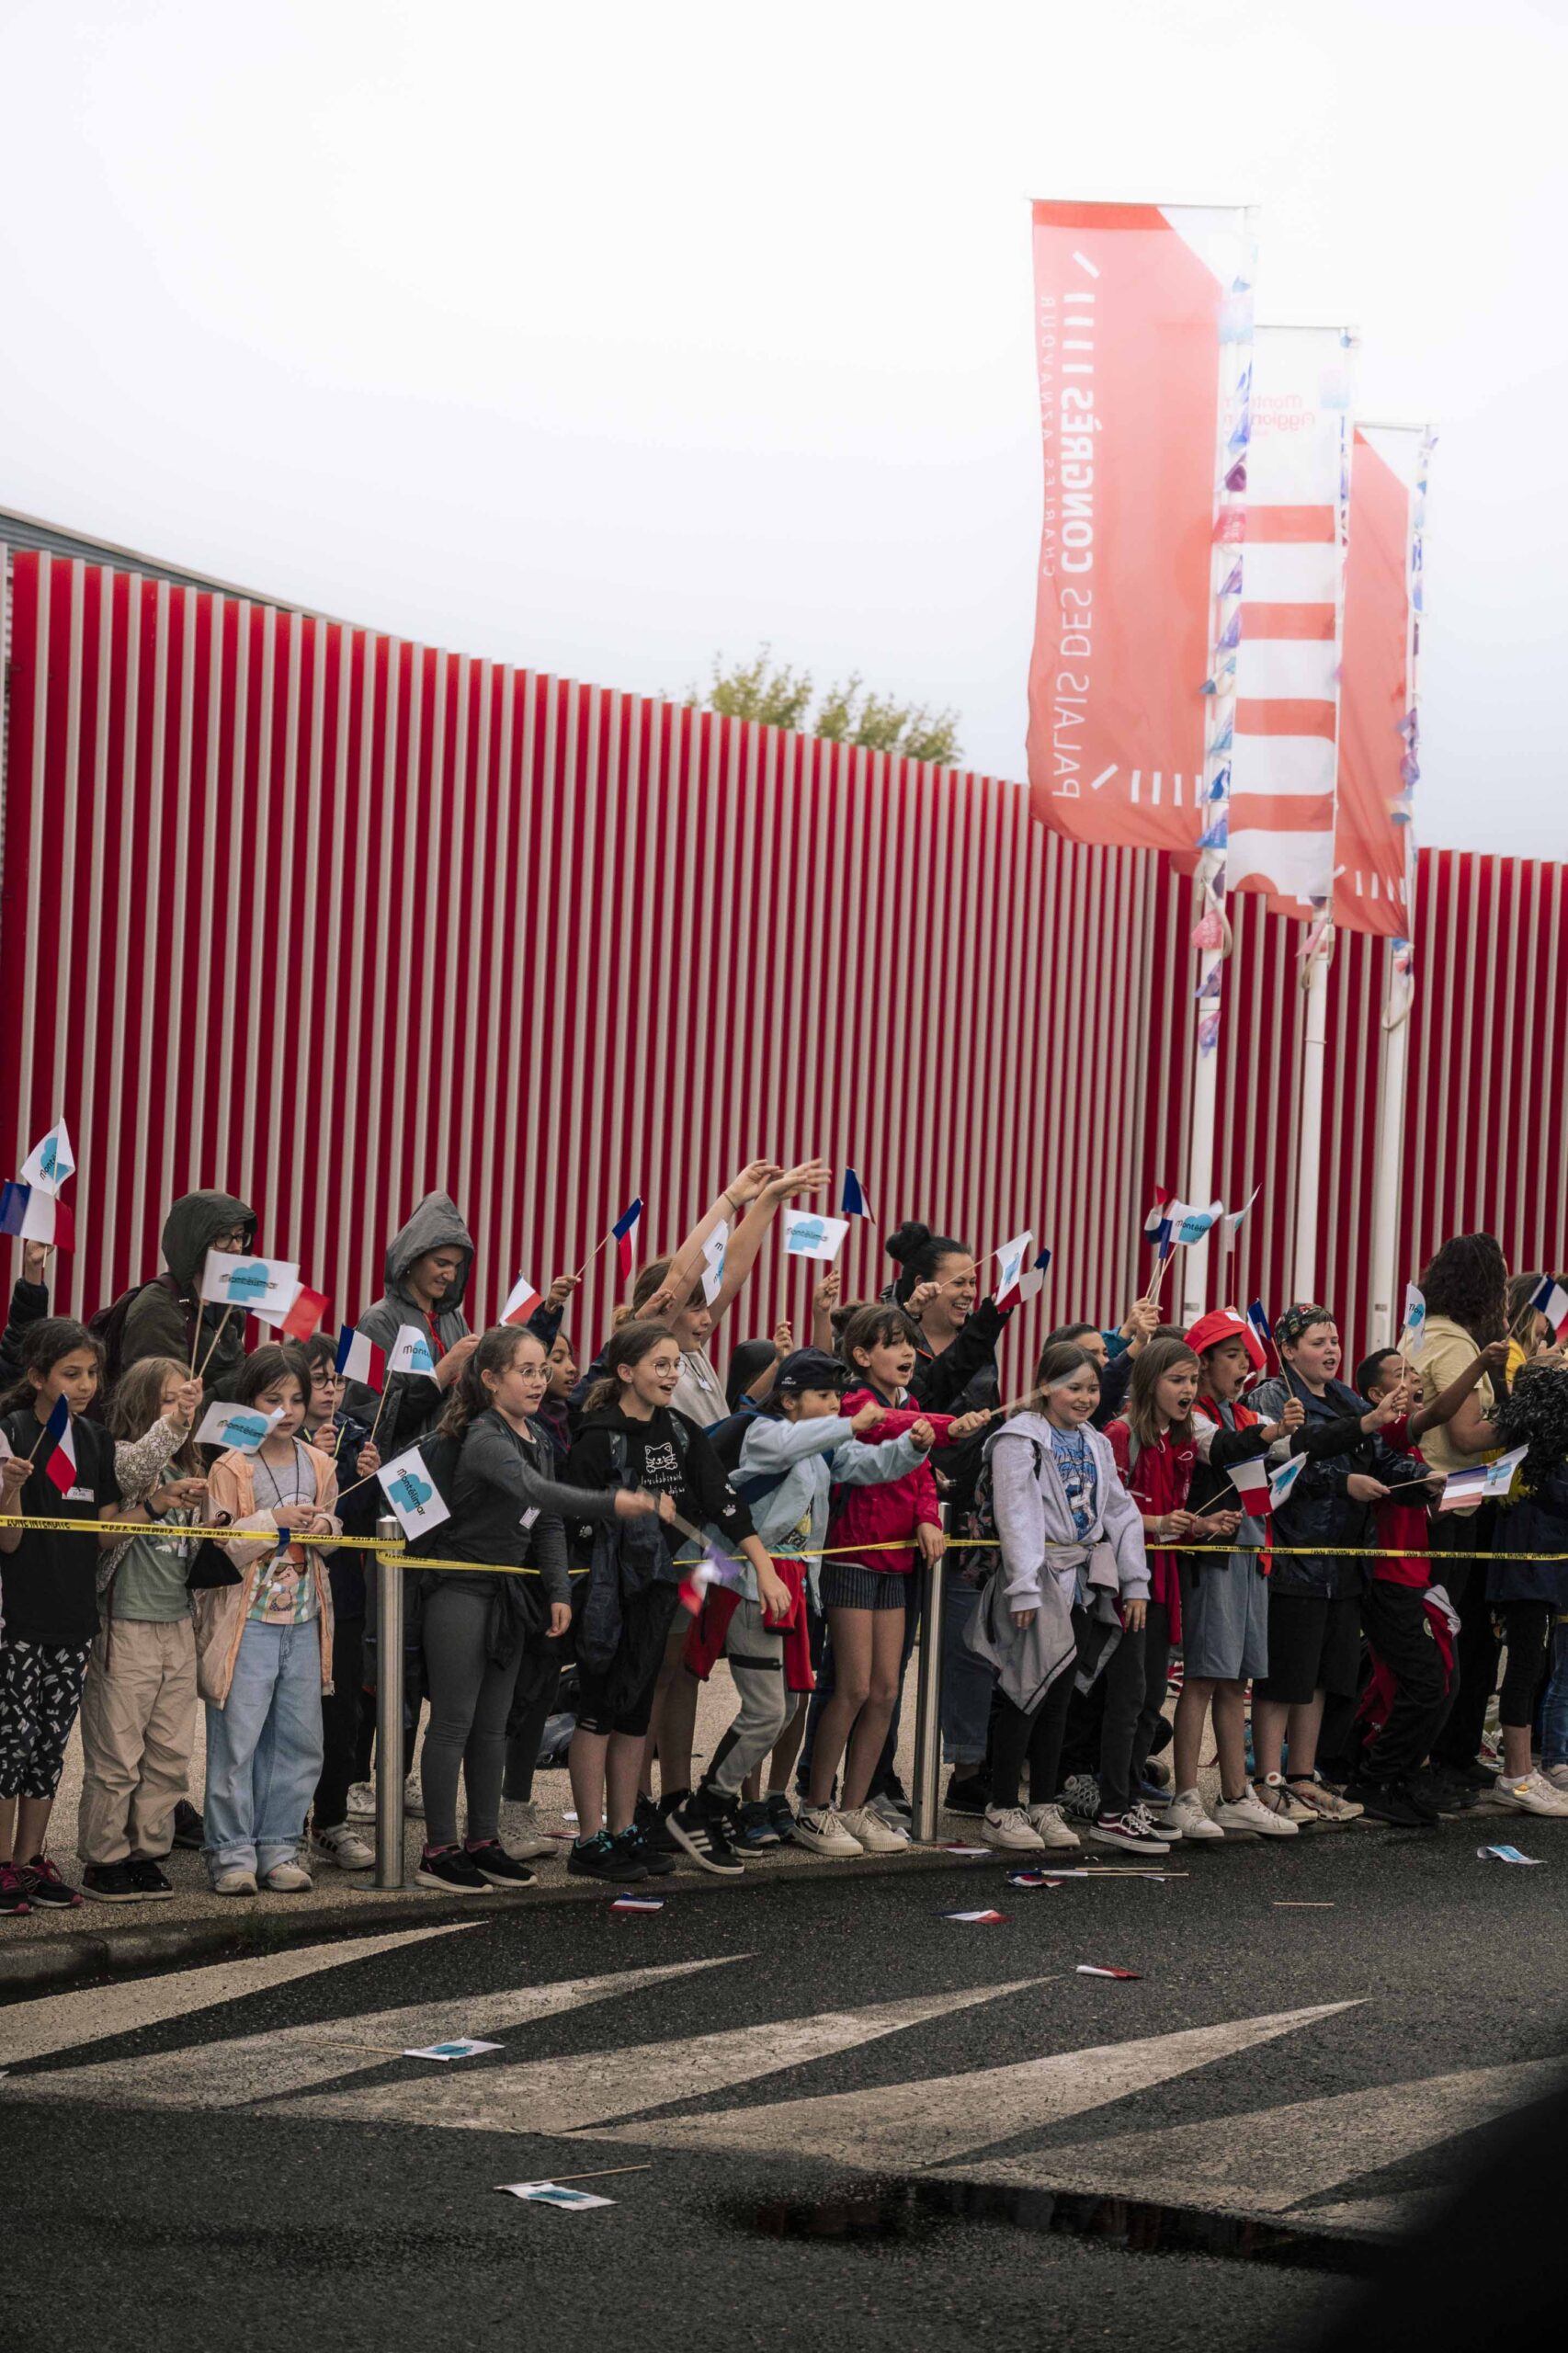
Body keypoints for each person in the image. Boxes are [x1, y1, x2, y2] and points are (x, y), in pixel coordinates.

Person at [415, 1324, 658, 1892]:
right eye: (525, 1371)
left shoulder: (537, 1435)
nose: (538, 1380)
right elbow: (536, 1492)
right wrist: (608, 1502)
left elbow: (545, 1523)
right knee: (454, 1722)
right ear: (491, 1379)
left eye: (541, 1370)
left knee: (495, 1725)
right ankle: (438, 1850)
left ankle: (482, 1840)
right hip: (459, 1590)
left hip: (509, 1596)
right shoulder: (485, 1437)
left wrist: (557, 1591)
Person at [562, 1319, 780, 1881]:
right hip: (606, 1598)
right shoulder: (596, 1435)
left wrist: (763, 1567)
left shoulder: (682, 1432)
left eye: (675, 1365)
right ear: (626, 1371)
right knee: (599, 1711)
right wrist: (625, 1505)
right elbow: (572, 1519)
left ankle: (624, 1827)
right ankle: (589, 1841)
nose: (670, 1374)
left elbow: (724, 1502)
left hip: (660, 1591)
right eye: (660, 1365)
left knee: (635, 1712)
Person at [687, 1347, 928, 1856]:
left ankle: (716, 1805)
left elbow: (870, 1464)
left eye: (839, 1396)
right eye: (824, 1396)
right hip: (749, 1585)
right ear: (790, 1399)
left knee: (786, 1705)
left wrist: (913, 1445)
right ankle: (705, 1809)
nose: (836, 1405)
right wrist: (852, 1422)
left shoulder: (822, 1445)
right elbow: (789, 1442)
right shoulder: (763, 1432)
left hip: (793, 1588)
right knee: (766, 1711)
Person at [797, 1303, 979, 1859]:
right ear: (860, 1356)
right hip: (853, 1556)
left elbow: (922, 1474)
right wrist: (948, 1427)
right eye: (893, 1343)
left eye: (909, 1344)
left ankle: (855, 1807)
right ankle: (814, 1806)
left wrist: (927, 1515)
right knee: (850, 1688)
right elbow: (891, 1430)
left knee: (885, 1690)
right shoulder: (853, 1403)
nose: (906, 1353)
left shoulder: (913, 1405)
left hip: (899, 1561)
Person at [964, 1339, 1148, 1854]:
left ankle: (1043, 1801)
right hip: (1037, 1579)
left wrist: (1134, 1581)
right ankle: (1001, 1806)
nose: (1086, 1397)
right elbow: (1017, 1514)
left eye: (1093, 1387)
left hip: (1081, 1583)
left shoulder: (1094, 1441)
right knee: (1026, 1692)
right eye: (1074, 1387)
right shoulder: (1018, 1439)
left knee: (1060, 1697)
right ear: (1045, 1386)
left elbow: (1120, 1510)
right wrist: (1023, 1586)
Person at [1249, 1305, 1425, 1825]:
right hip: (1294, 1557)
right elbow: (1275, 1468)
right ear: (1287, 1349)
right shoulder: (1273, 1396)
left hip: (1344, 1563)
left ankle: (1303, 1778)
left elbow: (1378, 1456)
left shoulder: (1346, 1397)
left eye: (1335, 1340)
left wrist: (1423, 1478)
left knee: (1323, 1676)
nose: (1331, 1350)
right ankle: (1268, 1781)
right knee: (1285, 1675)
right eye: (1318, 1341)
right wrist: (1340, 1484)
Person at [197, 1343, 341, 1895]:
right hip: (247, 1621)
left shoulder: (320, 1463)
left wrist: (324, 1529)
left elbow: (333, 1527)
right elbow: (218, 1546)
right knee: (237, 1738)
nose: (286, 1410)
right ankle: (230, 1852)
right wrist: (273, 1520)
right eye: (272, 1399)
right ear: (248, 1402)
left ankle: (280, 1846)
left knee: (300, 1739)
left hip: (305, 1621)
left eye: (296, 1399)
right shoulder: (229, 1465)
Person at [885, 1220, 1009, 1822]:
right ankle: (874, 1780)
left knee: (968, 1650)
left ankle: (967, 1770)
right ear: (923, 1288)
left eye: (977, 1283)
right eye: (959, 1281)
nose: (970, 1292)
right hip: (897, 1522)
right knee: (887, 1665)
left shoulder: (979, 1357)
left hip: (965, 1526)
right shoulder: (891, 1346)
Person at [0, 1319, 124, 1915]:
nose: (84, 1385)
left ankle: (30, 1858)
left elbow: (102, 1535)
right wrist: (8, 1488)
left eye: (92, 1374)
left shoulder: (97, 1441)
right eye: (70, 1374)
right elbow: (11, 1541)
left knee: (49, 1745)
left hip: (74, 1618)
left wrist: (155, 1505)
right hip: (18, 1618)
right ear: (36, 1377)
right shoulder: (12, 1432)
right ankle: (0, 1860)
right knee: (10, 1742)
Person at [1166, 1310, 1303, 1841]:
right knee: (1201, 1678)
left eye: (1247, 1355)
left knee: (1236, 1680)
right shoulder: (1197, 1416)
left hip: (1252, 1555)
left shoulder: (1242, 1413)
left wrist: (1366, 1421)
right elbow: (1220, 1449)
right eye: (1232, 1355)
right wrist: (1272, 1430)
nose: (1244, 1365)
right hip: (1212, 1557)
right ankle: (1184, 1797)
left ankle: (1235, 1795)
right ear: (1200, 1363)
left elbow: (1301, 1450)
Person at [75, 1357, 207, 1900]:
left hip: (177, 1625)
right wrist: (174, 1422)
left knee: (170, 1755)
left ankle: (148, 1850)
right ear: (142, 1403)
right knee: (117, 1755)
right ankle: (103, 1858)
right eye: (169, 1398)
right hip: (124, 1623)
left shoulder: (191, 1466)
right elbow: (139, 1465)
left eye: (188, 1399)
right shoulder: (124, 1456)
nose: (182, 1408)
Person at [1105, 1336, 1241, 1835]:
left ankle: (1131, 1793)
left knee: (1151, 1696)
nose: (1187, 1390)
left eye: (1191, 1381)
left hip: (1165, 1580)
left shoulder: (1182, 1440)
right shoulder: (1121, 1434)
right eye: (1176, 1380)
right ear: (1148, 1382)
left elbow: (1171, 1518)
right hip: (1126, 1583)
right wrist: (1160, 1521)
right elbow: (1109, 1512)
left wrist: (1201, 1525)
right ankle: (1112, 1805)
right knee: (1127, 1695)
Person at [1414, 1233, 1509, 1796]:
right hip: (1452, 1497)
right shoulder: (1452, 1345)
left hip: (1441, 1493)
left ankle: (1452, 1750)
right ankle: (1443, 1757)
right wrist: (1530, 1425)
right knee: (1453, 1631)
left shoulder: (1424, 1330)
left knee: (1448, 1629)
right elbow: (1466, 1434)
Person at [299, 1330, 380, 1870]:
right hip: (282, 1598)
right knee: (285, 1718)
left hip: (343, 1598)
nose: (331, 1391)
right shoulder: (273, 1436)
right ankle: (275, 1828)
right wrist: (311, 1458)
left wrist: (368, 1478)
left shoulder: (355, 1434)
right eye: (320, 1380)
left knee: (340, 1713)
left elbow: (367, 1523)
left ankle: (330, 1821)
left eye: (338, 1380)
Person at [1483, 1362, 1568, 1816]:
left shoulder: (1543, 1450)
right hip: (1527, 1574)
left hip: (1538, 1573)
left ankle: (1522, 1769)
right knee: (1523, 1669)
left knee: (1528, 1670)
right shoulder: (1537, 1457)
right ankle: (1515, 1773)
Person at [340, 1191, 480, 1449]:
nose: (449, 1275)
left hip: (447, 1465)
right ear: (412, 1258)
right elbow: (363, 1420)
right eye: (441, 1263)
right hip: (399, 1474)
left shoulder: (453, 1319)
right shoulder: (375, 1320)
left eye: (456, 1266)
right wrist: (445, 1370)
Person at [115, 1189, 258, 1402]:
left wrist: (259, 1367)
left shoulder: (229, 1304)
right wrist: (247, 1377)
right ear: (195, 1241)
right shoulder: (157, 1310)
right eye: (223, 1237)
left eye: (239, 1236)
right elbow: (165, 1405)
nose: (235, 1247)